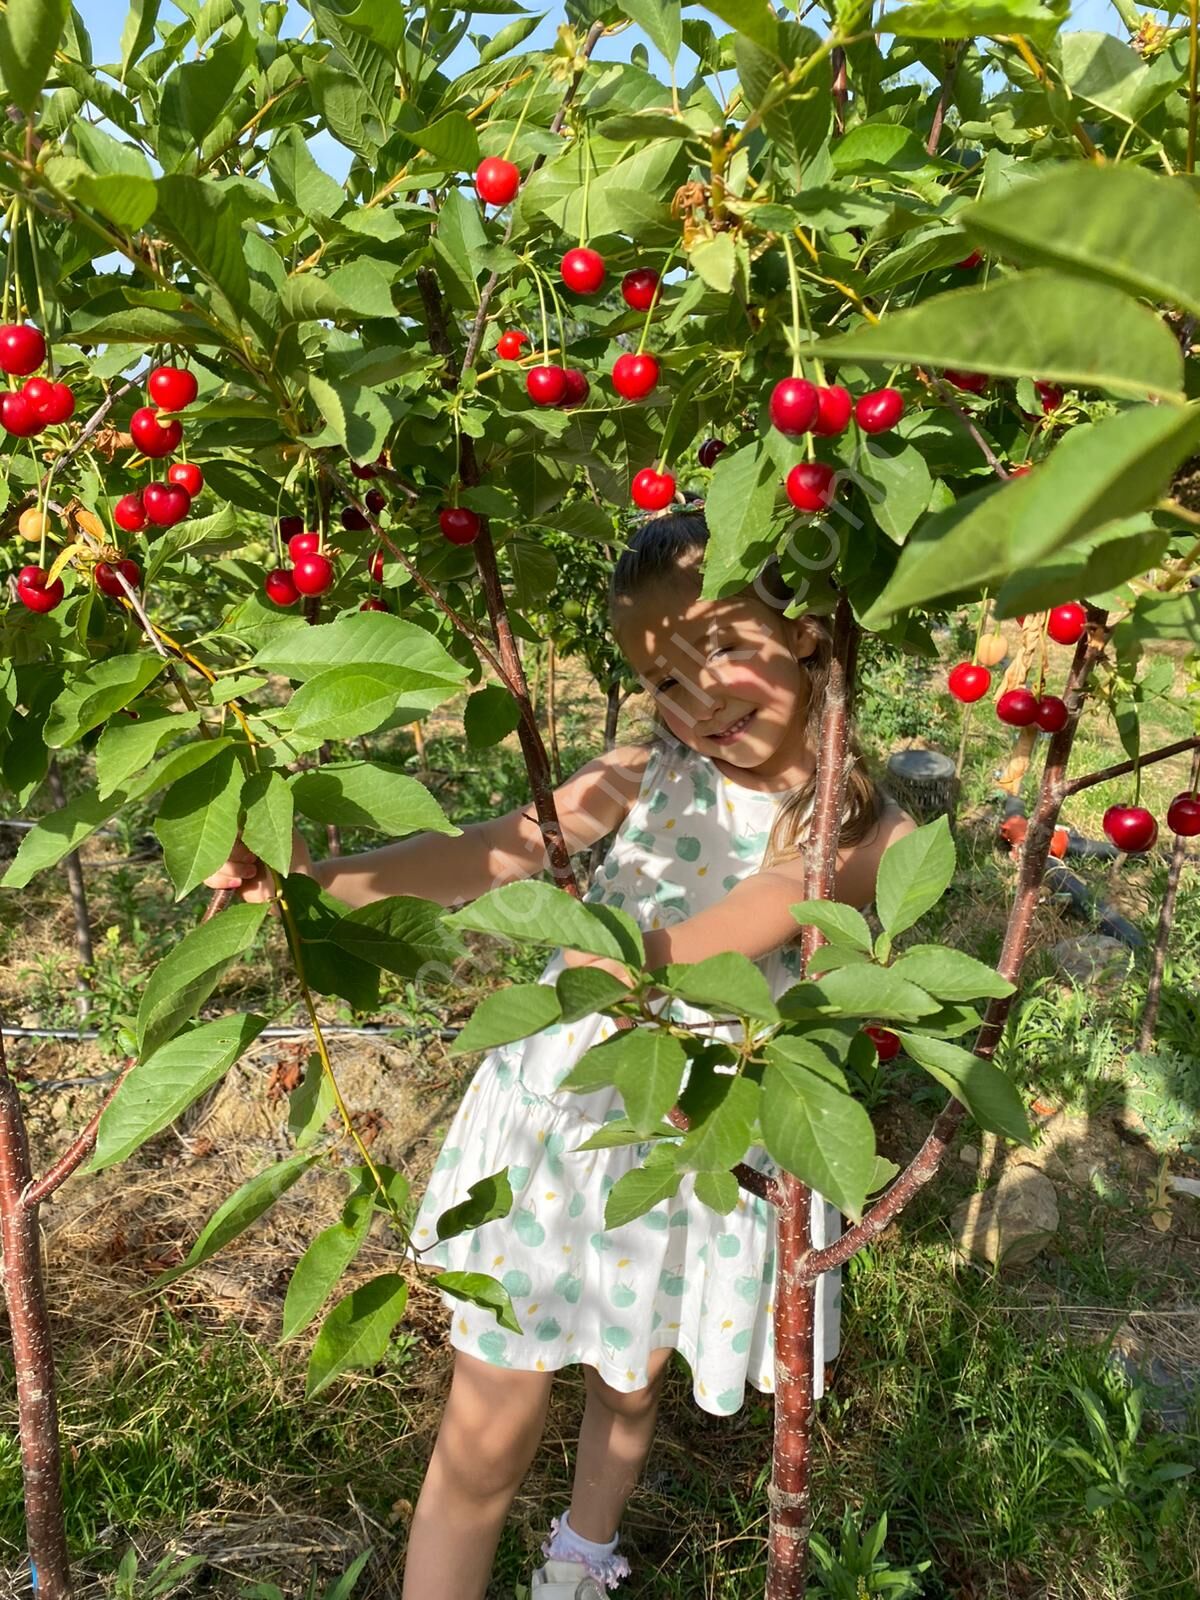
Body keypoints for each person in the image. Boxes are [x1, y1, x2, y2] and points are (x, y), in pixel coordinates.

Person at [206, 509, 914, 1600]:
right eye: (664, 681)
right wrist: (312, 878)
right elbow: (488, 851)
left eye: (722, 648)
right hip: (553, 1126)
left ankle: (580, 1560)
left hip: (695, 1139)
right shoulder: (642, 770)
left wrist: (632, 964)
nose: (698, 700)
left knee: (629, 1379)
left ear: (813, 631)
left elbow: (775, 905)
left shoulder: (862, 825)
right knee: (490, 1414)